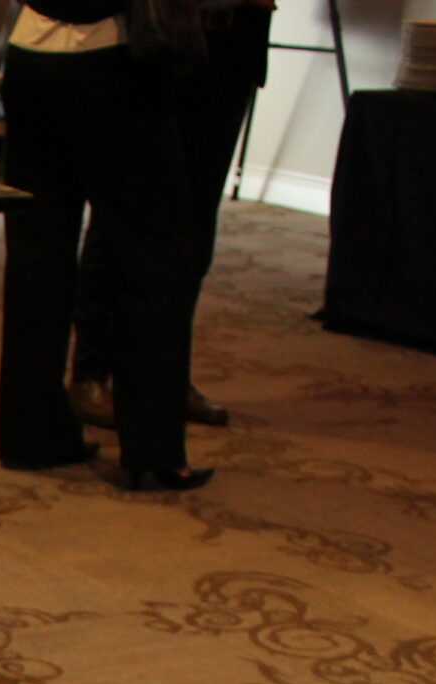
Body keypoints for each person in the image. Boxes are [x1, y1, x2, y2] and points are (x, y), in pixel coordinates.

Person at [0, 0, 213, 490]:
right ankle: (153, 450)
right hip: (109, 55)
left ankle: (31, 433)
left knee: (36, 250)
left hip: (29, 52)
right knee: (155, 250)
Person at [70, 0, 276, 431]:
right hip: (160, 35)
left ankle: (167, 378)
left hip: (233, 42)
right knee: (122, 215)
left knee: (196, 225)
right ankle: (91, 374)